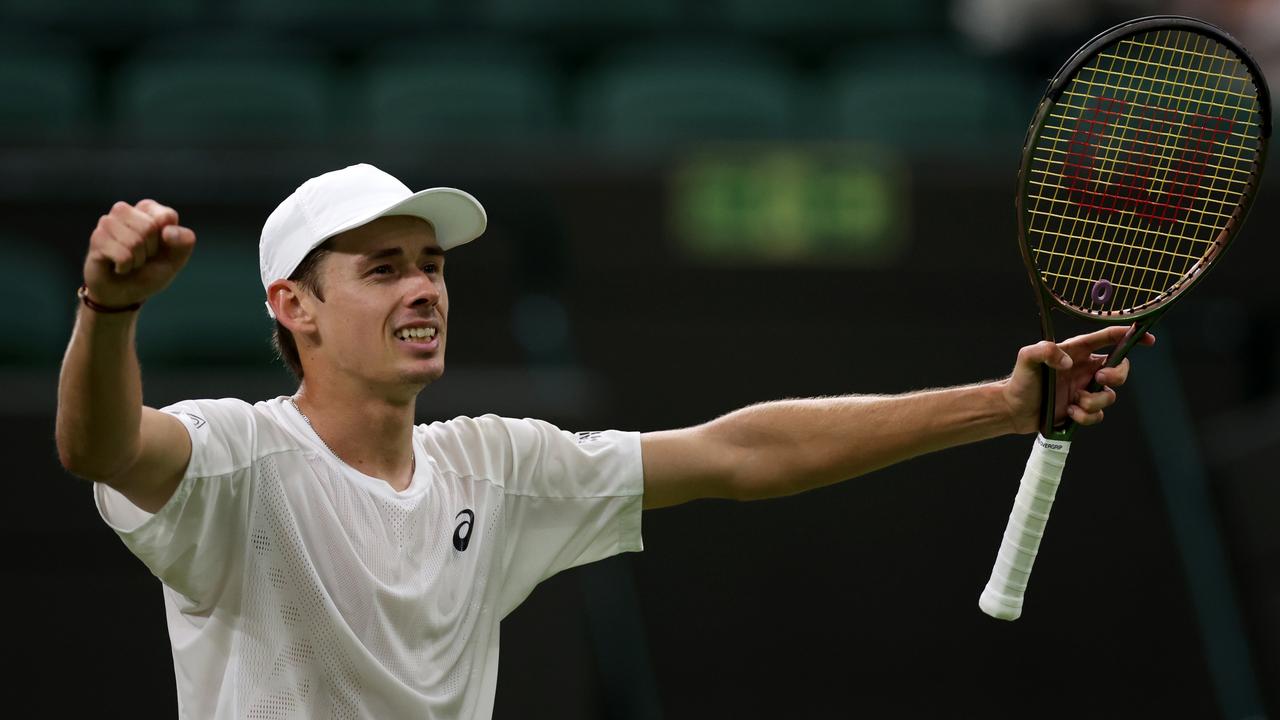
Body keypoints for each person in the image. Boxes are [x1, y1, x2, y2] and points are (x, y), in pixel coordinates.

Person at [55, 163, 1149, 719]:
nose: (424, 288)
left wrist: (1002, 407)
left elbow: (738, 455)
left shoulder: (494, 463)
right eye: (382, 269)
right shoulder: (235, 461)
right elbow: (102, 447)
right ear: (292, 308)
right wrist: (109, 314)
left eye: (431, 264)